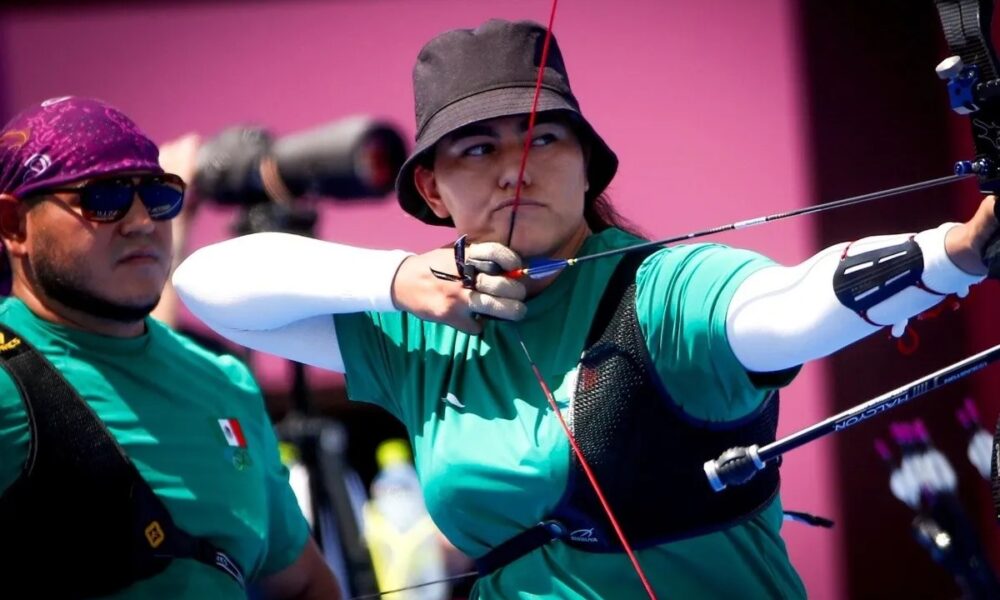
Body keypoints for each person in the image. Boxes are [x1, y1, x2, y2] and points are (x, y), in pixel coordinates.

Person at [172, 19, 998, 599]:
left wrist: (957, 254)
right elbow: (212, 282)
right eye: (476, 147)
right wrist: (398, 281)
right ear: (431, 186)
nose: (513, 168)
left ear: (587, 164)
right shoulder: (417, 329)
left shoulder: (665, 290)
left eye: (542, 138)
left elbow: (788, 304)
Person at [0, 97, 341, 599]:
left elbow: (306, 583)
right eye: (105, 197)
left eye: (158, 194)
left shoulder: (223, 380)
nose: (142, 221)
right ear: (13, 225)